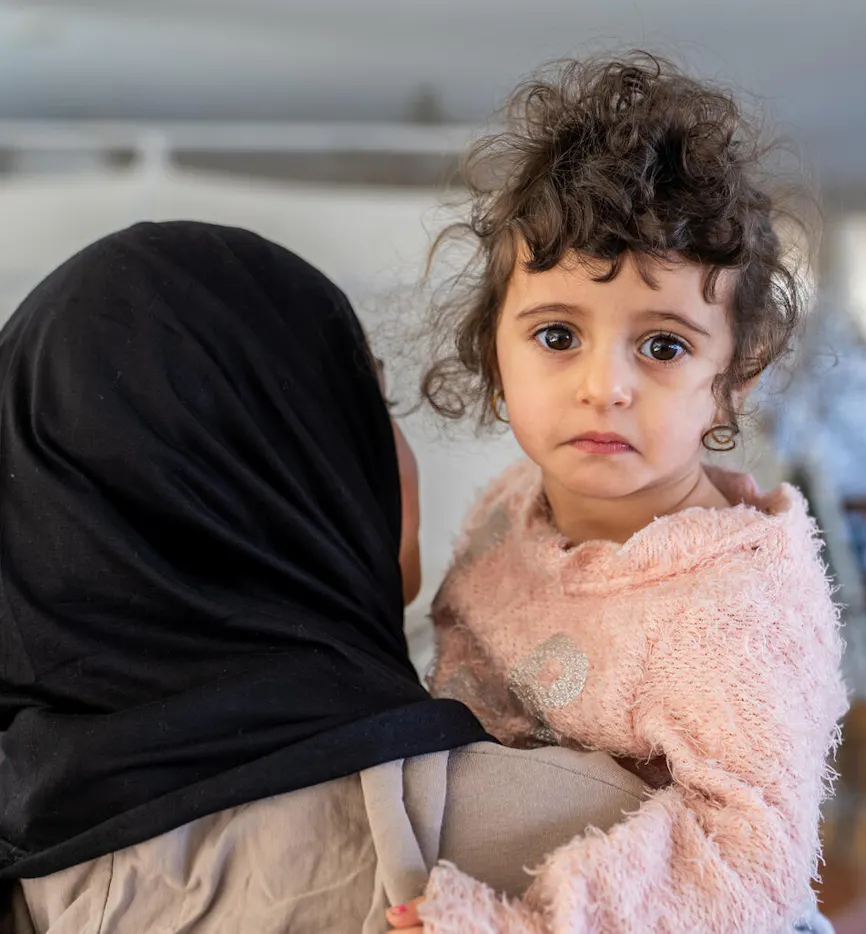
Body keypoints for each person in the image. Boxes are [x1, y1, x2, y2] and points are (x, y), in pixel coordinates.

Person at [0, 221, 652, 934]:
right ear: (289, 470)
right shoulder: (603, 850)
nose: (399, 452)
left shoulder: (35, 875)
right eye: (374, 409)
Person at [396, 54, 847, 932]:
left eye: (664, 346)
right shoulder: (508, 503)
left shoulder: (736, 614)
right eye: (558, 333)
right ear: (496, 354)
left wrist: (510, 925)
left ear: (736, 374)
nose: (604, 386)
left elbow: (747, 867)